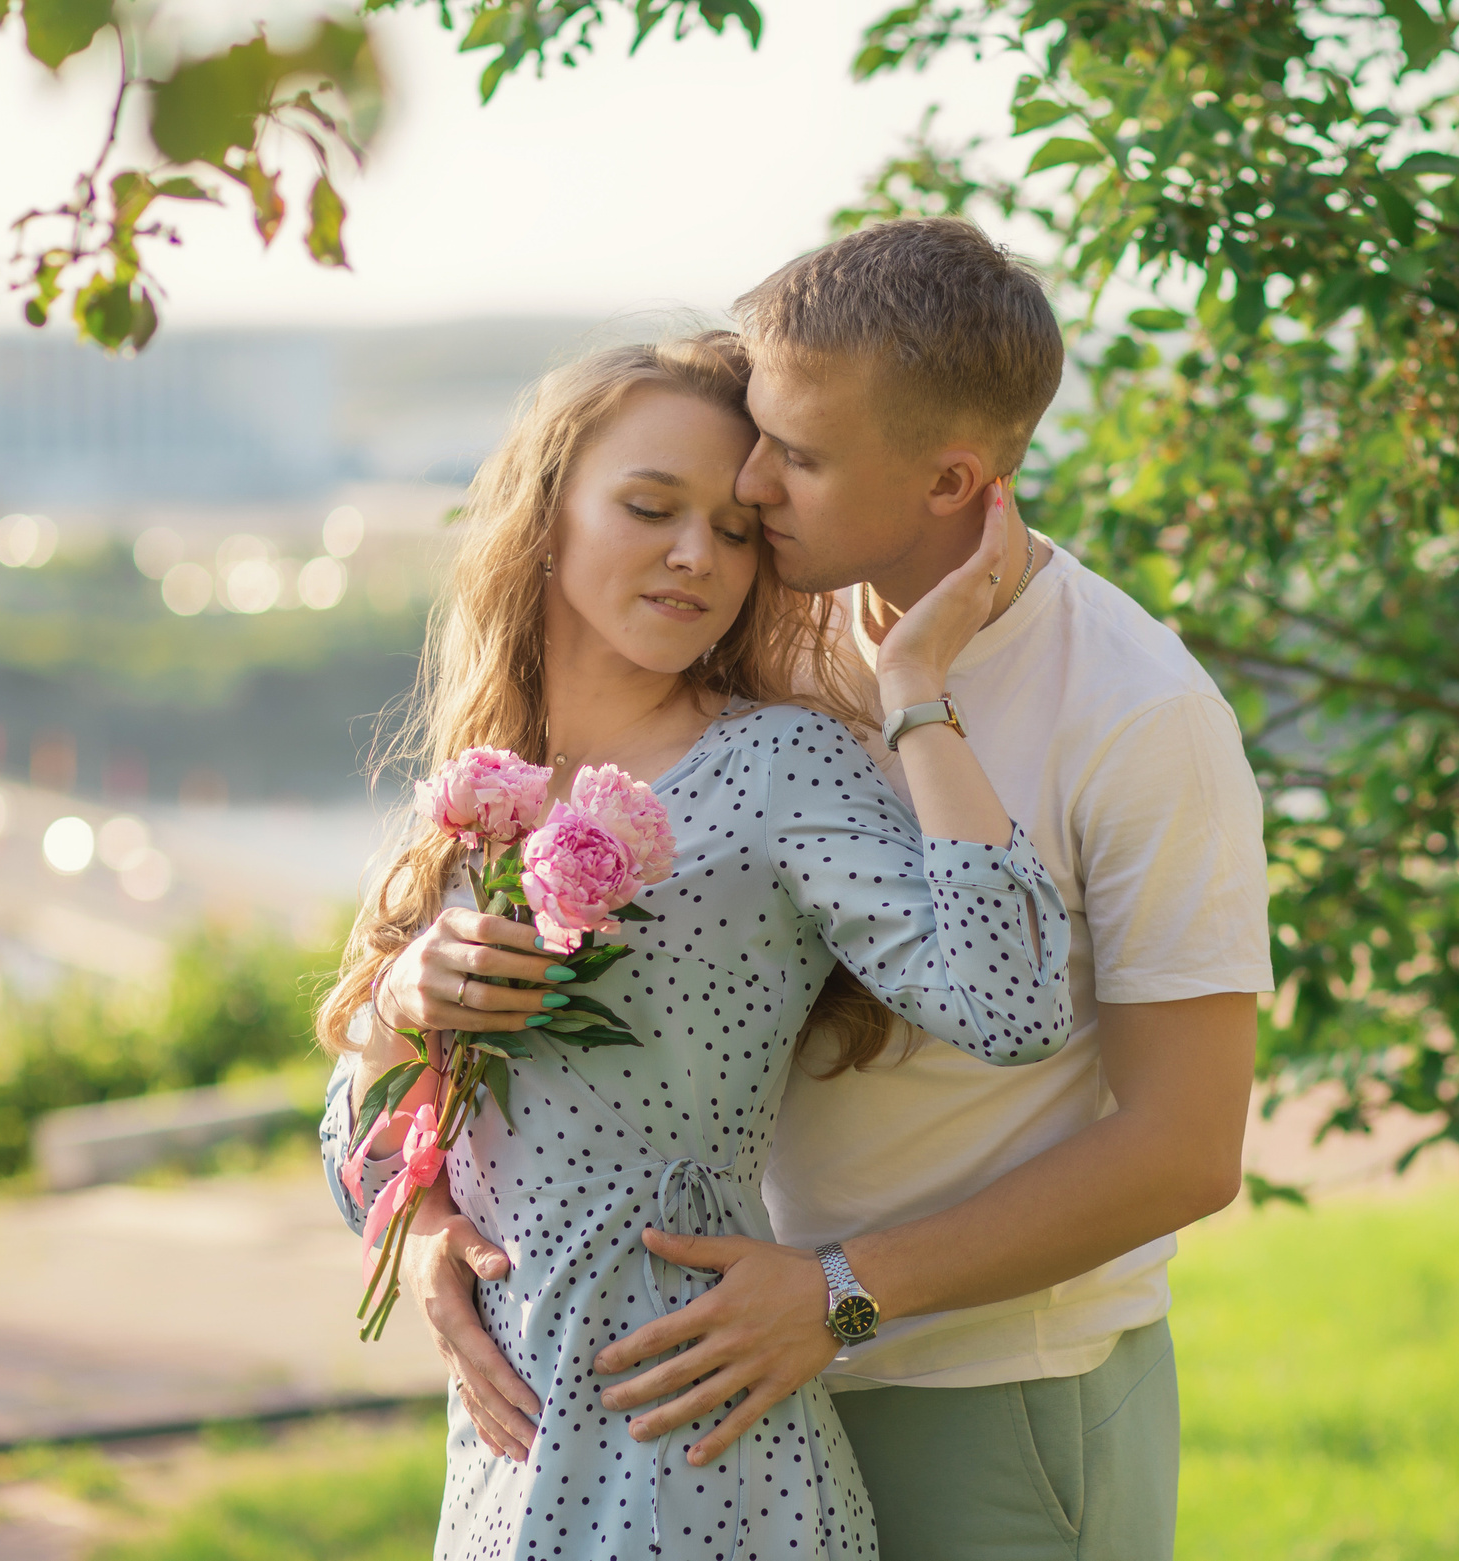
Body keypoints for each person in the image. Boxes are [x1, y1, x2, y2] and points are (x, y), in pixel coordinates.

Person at [383, 220, 1273, 1560]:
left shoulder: (1139, 715)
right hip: (706, 1367)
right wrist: (443, 1218)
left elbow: (1185, 1150)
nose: (746, 486)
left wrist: (841, 1295)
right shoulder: (771, 628)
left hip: (985, 1391)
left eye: (787, 461)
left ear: (949, 478)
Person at [315, 329, 1075, 1560]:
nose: (695, 556)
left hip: (693, 1448)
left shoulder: (779, 765)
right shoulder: (473, 794)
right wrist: (424, 1216)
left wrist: (917, 685)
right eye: (650, 507)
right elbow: (358, 1133)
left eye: (733, 530)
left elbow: (1016, 998)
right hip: (505, 1454)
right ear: (542, 515)